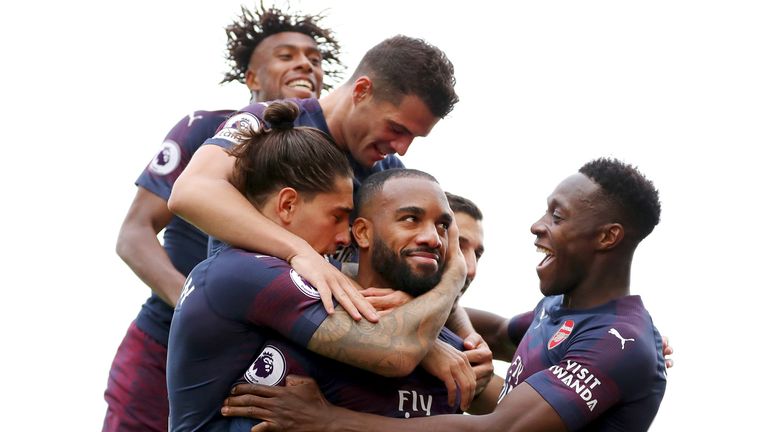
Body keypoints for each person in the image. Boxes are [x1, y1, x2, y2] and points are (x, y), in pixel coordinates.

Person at [224, 157, 669, 431]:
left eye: (557, 215)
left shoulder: (620, 344)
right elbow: (494, 333)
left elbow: (497, 430)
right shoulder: (559, 311)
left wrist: (327, 422)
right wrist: (404, 306)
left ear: (608, 237)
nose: (537, 226)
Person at [103, 5, 343, 431]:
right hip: (165, 344)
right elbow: (134, 234)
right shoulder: (205, 131)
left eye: (314, 57)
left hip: (269, 354)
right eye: (286, 55)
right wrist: (196, 315)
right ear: (251, 78)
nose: (305, 63)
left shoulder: (326, 158)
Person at [166, 104, 471, 430]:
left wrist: (438, 339)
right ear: (287, 205)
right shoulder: (244, 271)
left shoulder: (258, 268)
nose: (345, 237)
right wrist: (453, 277)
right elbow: (395, 351)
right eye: (337, 216)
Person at [167, 34, 460, 322]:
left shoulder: (390, 175)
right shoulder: (268, 121)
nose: (402, 147)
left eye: (414, 137)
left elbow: (446, 250)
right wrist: (298, 251)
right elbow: (191, 192)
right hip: (242, 333)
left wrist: (415, 300)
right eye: (397, 129)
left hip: (331, 340)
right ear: (362, 91)